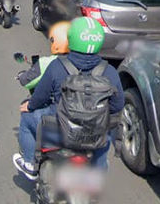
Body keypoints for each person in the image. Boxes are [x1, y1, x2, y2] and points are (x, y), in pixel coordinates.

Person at [13, 18, 125, 180]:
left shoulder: (57, 66)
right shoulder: (110, 72)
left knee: (26, 120)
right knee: (105, 137)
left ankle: (30, 163)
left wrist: (29, 106)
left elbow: (41, 96)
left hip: (60, 127)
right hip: (94, 132)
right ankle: (99, 171)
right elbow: (117, 105)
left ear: (71, 38)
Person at [17, 21, 71, 93]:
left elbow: (26, 81)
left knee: (25, 104)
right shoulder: (85, 61)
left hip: (57, 102)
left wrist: (21, 77)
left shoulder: (46, 63)